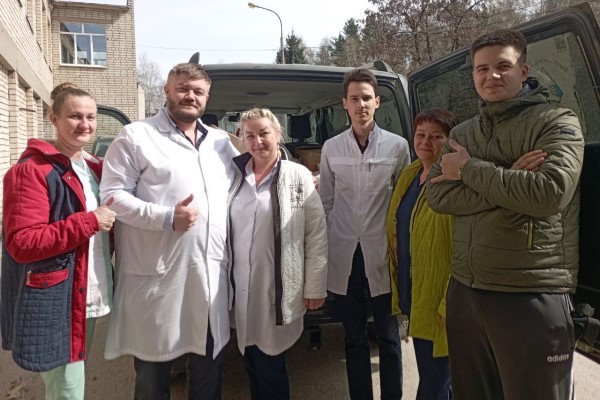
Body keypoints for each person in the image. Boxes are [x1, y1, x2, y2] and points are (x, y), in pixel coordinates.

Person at [426, 30, 584, 399]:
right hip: (465, 291)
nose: (491, 75)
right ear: (473, 75)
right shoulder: (463, 133)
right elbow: (437, 195)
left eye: (503, 66)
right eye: (482, 69)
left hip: (529, 292)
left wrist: (469, 170)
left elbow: (548, 194)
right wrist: (510, 179)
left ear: (523, 70)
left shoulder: (556, 121)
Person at [99, 63, 238, 399]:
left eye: (198, 91)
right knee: (153, 371)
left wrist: (303, 179)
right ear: (166, 90)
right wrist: (166, 218)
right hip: (158, 277)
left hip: (209, 277)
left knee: (208, 367)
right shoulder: (136, 136)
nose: (190, 96)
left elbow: (251, 179)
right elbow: (112, 197)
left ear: (207, 97)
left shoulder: (220, 142)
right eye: (183, 88)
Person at [1, 84, 116, 399]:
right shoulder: (31, 171)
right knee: (67, 391)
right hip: (56, 299)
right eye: (75, 116)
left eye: (90, 117)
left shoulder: (93, 168)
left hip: (87, 290)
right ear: (54, 118)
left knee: (70, 382)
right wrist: (90, 221)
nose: (84, 124)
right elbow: (22, 242)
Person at [319, 68, 410, 400]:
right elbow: (326, 201)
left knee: (388, 338)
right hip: (345, 257)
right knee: (354, 338)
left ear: (378, 102)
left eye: (367, 98)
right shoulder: (332, 148)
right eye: (354, 98)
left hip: (381, 255)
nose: (361, 105)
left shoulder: (397, 147)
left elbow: (403, 201)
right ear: (345, 103)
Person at [229, 108, 328, 399]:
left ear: (278, 134)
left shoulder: (297, 175)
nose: (257, 141)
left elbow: (316, 234)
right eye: (249, 135)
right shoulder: (234, 175)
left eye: (264, 133)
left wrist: (315, 287)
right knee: (251, 359)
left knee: (270, 363)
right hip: (242, 286)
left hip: (277, 285)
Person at [386, 109, 458, 400]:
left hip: (441, 297)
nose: (426, 142)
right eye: (421, 134)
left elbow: (462, 247)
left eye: (436, 136)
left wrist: (449, 302)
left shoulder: (454, 181)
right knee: (433, 374)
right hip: (413, 289)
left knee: (435, 378)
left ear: (451, 142)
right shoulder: (410, 174)